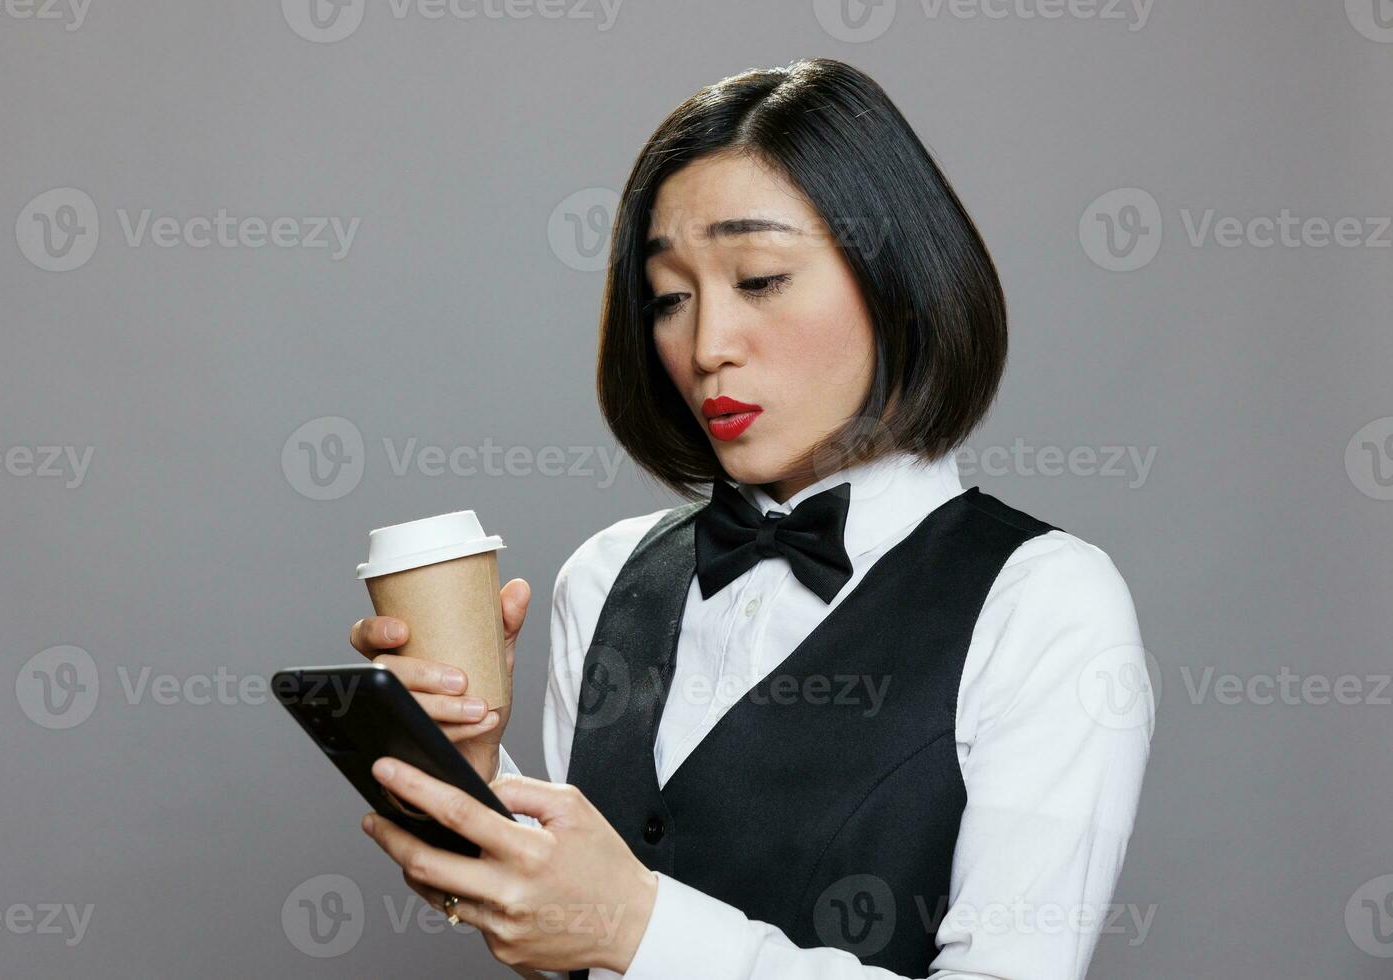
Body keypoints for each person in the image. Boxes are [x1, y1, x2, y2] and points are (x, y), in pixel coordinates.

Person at [348, 57, 1155, 979]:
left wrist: (640, 928)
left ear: (898, 277)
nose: (705, 347)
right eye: (669, 298)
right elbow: (569, 958)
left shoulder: (1044, 602)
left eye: (761, 278)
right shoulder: (605, 577)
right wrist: (468, 781)